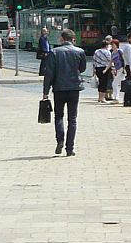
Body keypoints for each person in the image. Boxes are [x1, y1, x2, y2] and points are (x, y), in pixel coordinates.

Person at [42, 28, 87, 156]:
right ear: (73, 39)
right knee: (72, 119)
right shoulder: (80, 52)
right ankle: (70, 148)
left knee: (59, 116)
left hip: (59, 88)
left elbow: (49, 73)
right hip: (74, 88)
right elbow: (82, 68)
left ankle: (60, 139)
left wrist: (45, 92)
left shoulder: (54, 52)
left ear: (62, 39)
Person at [92, 37, 116, 102]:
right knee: (104, 83)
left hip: (97, 68)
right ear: (106, 45)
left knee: (100, 83)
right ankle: (102, 98)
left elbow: (94, 61)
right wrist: (113, 68)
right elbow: (110, 61)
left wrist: (93, 69)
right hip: (105, 68)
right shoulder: (107, 52)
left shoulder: (96, 51)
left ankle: (99, 97)